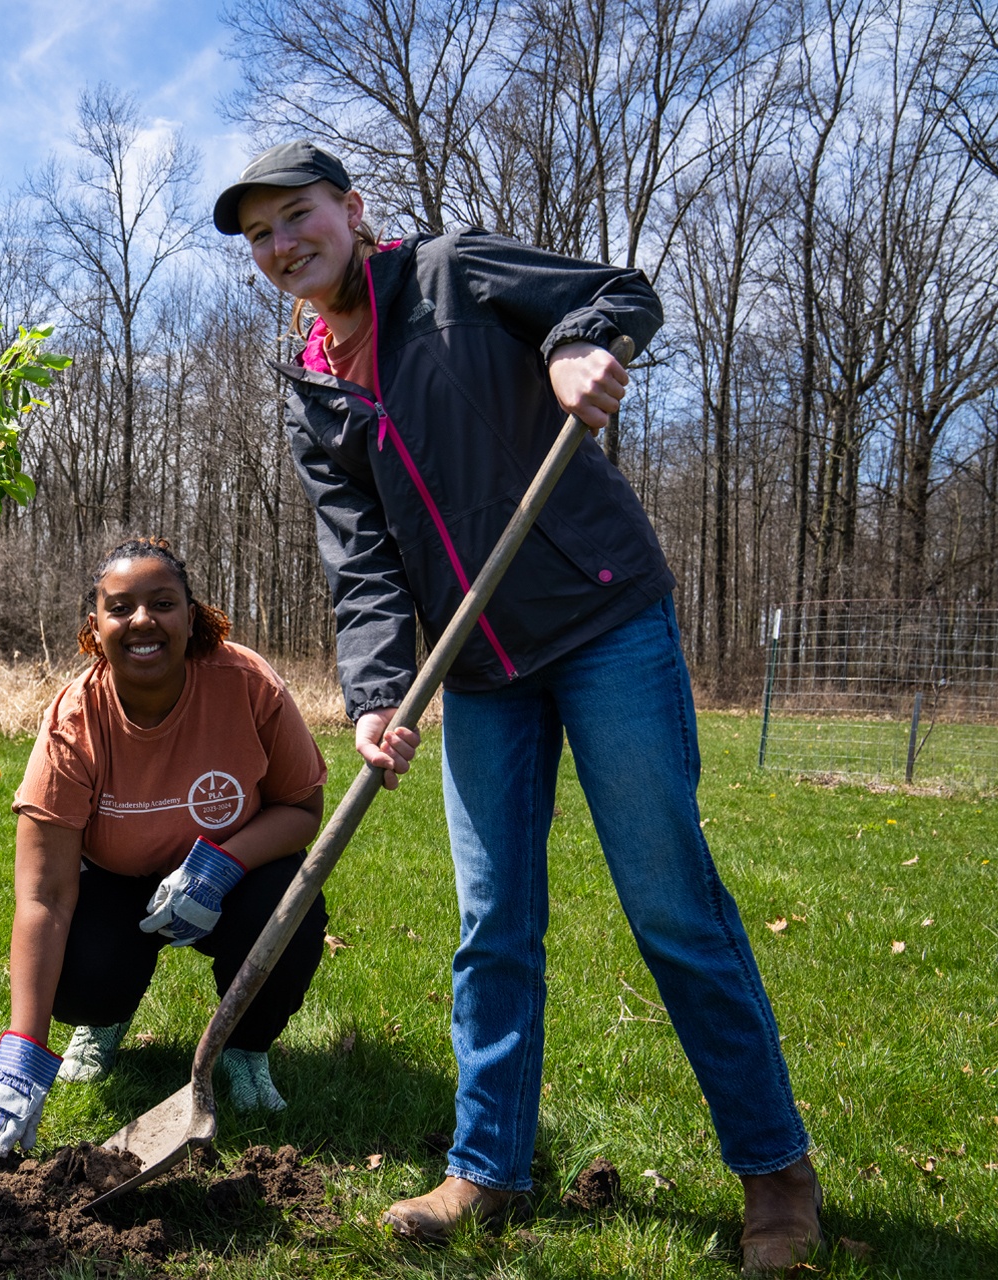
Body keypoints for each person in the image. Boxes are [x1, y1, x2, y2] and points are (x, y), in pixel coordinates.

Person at [213, 141, 820, 1274]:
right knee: (493, 927)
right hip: (476, 672)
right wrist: (380, 694)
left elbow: (616, 291)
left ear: (353, 210)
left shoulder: (448, 272)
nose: (284, 246)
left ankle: (775, 1171)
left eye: (299, 217)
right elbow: (364, 567)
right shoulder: (315, 388)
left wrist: (577, 348)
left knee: (671, 906)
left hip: (601, 623)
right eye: (261, 237)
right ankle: (484, 1168)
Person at [0, 538, 329, 1158]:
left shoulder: (245, 684)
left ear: (192, 616)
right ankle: (101, 1019)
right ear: (94, 628)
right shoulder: (74, 721)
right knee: (80, 977)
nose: (142, 621)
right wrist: (21, 1056)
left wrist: (221, 864)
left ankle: (244, 1045)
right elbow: (44, 894)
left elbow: (303, 808)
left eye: (162, 603)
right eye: (120, 608)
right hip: (116, 886)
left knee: (292, 907)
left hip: (235, 880)